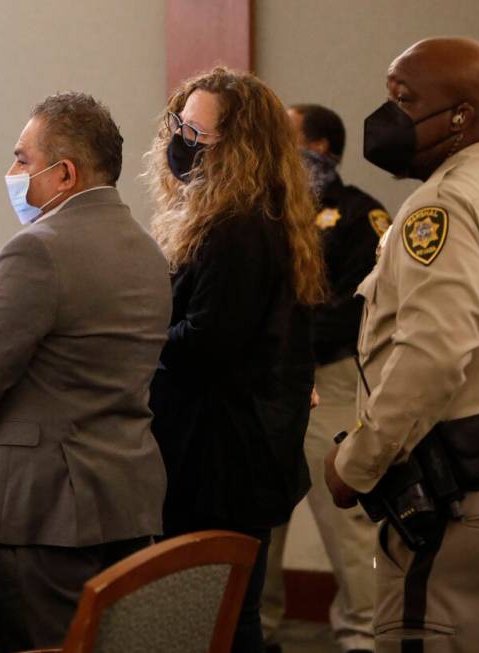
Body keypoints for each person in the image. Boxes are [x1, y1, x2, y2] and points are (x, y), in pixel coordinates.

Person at [0, 91, 171, 653]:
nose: (11, 173)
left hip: (47, 517)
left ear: (65, 175)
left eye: (22, 160)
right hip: (129, 503)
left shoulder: (37, 251)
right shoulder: (149, 254)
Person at [325, 37, 479, 653]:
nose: (386, 117)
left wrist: (357, 464)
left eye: (403, 99)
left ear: (462, 115)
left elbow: (432, 355)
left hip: (461, 505)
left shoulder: (442, 205)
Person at [146, 67, 326, 653]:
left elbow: (207, 343)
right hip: (232, 451)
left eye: (199, 134)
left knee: (215, 621)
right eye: (180, 124)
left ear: (240, 148)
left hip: (221, 460)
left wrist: (134, 338)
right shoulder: (253, 217)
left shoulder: (239, 226)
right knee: (218, 615)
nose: (182, 141)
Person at [261, 104, 390, 653]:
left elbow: (364, 304)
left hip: (330, 378)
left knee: (349, 521)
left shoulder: (362, 214)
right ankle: (256, 629)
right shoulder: (263, 212)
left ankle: (364, 635)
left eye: (285, 137)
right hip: (265, 382)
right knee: (261, 519)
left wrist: (290, 336)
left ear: (318, 144)